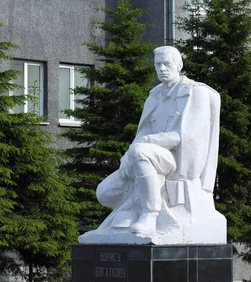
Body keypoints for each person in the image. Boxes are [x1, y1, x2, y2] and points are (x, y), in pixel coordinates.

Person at [80, 46, 223, 243]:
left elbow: (187, 135)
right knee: (104, 192)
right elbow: (143, 131)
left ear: (179, 65)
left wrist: (145, 144)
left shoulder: (195, 93)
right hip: (146, 154)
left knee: (141, 152)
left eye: (167, 64)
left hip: (176, 158)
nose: (162, 68)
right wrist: (127, 156)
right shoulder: (154, 94)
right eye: (158, 64)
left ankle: (150, 213)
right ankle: (129, 211)